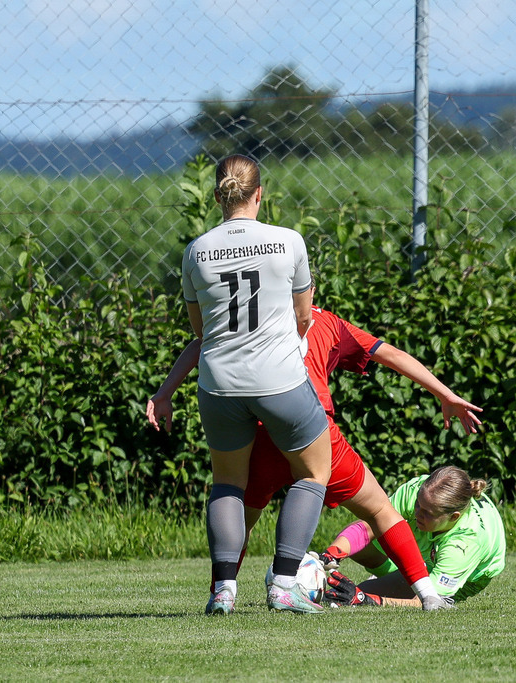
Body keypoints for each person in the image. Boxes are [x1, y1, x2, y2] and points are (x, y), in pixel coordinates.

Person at [148, 291, 483, 611]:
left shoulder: (250, 318)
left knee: (239, 515)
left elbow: (203, 341)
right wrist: (445, 394)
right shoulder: (328, 321)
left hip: (263, 433)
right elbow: (390, 354)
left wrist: (165, 392)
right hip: (314, 432)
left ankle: (222, 592)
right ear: (308, 289)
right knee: (380, 510)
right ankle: (429, 596)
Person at [177, 154, 332, 616]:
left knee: (227, 483)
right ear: (259, 194)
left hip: (219, 383)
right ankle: (283, 585)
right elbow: (304, 316)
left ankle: (223, 591)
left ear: (217, 196)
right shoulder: (289, 241)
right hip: (279, 379)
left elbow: (200, 331)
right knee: (313, 473)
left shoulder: (196, 251)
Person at [319, 465, 507, 608]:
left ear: (453, 517)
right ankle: (397, 575)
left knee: (426, 604)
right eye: (418, 504)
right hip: (438, 540)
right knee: (361, 545)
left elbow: (426, 601)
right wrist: (330, 555)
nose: (417, 513)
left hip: (472, 576)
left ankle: (397, 581)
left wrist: (366, 599)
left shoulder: (464, 545)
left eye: (427, 512)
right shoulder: (416, 490)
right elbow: (368, 527)